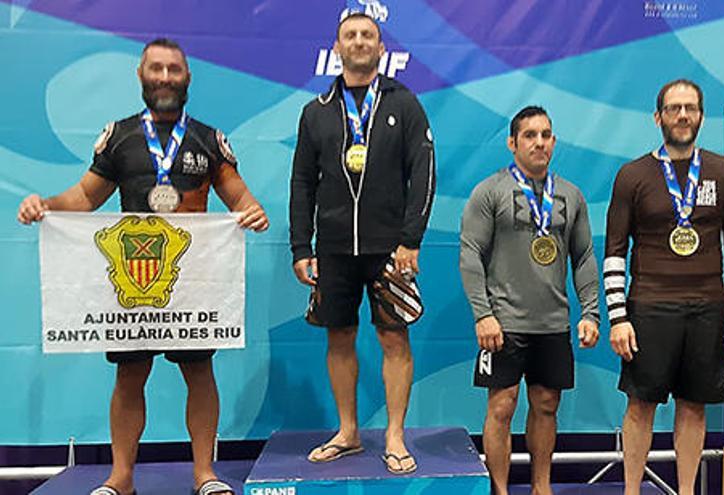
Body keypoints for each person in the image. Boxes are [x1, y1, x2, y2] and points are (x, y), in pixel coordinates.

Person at [17, 38, 268, 495]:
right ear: (141, 75)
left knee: (198, 373)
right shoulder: (120, 137)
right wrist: (46, 205)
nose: (166, 78)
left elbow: (240, 198)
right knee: (130, 374)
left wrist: (253, 211)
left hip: (192, 281)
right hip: (133, 282)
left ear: (188, 77)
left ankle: (204, 475)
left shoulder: (209, 139)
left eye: (174, 69)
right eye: (157, 69)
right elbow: (85, 197)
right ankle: (121, 478)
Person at [288, 12, 435, 475]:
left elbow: (424, 173)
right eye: (350, 35)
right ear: (337, 47)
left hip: (390, 247)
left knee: (394, 337)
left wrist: (411, 240)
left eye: (366, 35)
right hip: (332, 247)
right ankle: (348, 432)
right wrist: (300, 246)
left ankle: (394, 435)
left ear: (379, 45)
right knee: (340, 335)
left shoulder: (405, 103)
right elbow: (301, 183)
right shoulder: (316, 111)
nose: (358, 42)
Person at [603, 79, 724, 495]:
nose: (683, 116)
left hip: (708, 308)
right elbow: (615, 251)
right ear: (658, 117)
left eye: (690, 108)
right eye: (673, 108)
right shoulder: (632, 175)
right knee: (640, 406)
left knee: (694, 406)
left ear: (702, 116)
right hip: (648, 308)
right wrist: (618, 318)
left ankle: (686, 492)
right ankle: (631, 491)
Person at [460, 106, 600, 495]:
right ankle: (500, 491)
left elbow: (585, 257)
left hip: (552, 323)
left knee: (546, 406)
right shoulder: (490, 191)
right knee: (501, 407)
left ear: (553, 141)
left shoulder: (571, 196)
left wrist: (591, 312)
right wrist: (482, 315)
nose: (539, 142)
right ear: (513, 142)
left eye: (546, 135)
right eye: (530, 135)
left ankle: (542, 488)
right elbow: (470, 253)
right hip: (502, 324)